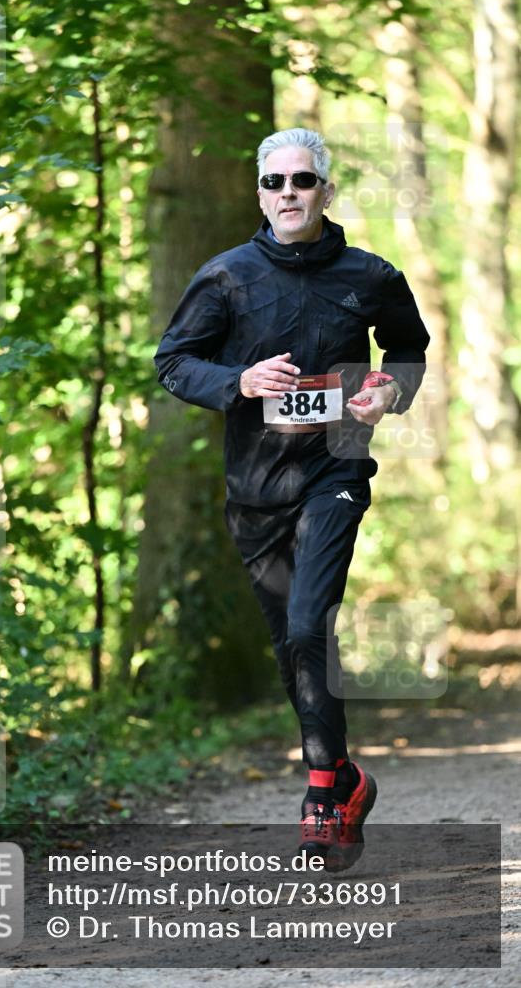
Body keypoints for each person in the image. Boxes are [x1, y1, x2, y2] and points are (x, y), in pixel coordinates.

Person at [154, 127, 430, 869]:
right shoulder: (225, 278)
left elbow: (408, 350)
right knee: (291, 643)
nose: (288, 194)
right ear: (259, 194)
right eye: (274, 183)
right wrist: (237, 382)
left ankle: (316, 795)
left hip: (334, 471)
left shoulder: (369, 276)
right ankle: (342, 777)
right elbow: (173, 361)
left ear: (325, 192)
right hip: (254, 487)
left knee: (311, 622)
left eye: (301, 181)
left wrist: (386, 392)